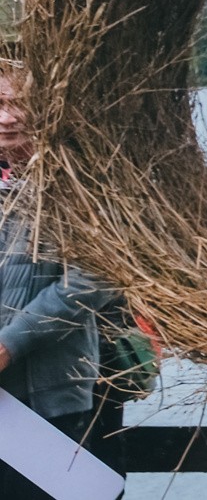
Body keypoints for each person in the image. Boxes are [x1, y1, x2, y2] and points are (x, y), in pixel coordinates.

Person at [0, 53, 118, 499]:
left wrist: (9, 344)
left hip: (48, 396)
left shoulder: (78, 181)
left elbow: (98, 275)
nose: (7, 118)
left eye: (19, 103)